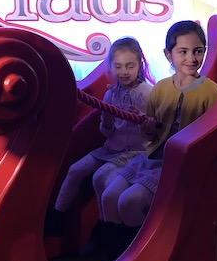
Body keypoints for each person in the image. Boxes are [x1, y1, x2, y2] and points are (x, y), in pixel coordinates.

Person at [84, 20, 217, 260]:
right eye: (183, 52)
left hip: (179, 164)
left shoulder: (211, 91)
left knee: (129, 202)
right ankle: (110, 254)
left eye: (198, 51)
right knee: (109, 196)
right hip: (151, 158)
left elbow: (214, 135)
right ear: (169, 55)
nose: (191, 58)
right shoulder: (161, 88)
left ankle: (136, 259)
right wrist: (147, 127)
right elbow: (151, 133)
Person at [44, 37, 153, 236]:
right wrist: (108, 121)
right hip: (111, 148)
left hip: (135, 153)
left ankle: (104, 229)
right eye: (118, 66)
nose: (124, 72)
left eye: (130, 66)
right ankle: (56, 219)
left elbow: (156, 130)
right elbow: (106, 132)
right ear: (111, 67)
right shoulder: (110, 95)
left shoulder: (149, 94)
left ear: (140, 64)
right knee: (75, 170)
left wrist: (141, 119)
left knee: (101, 177)